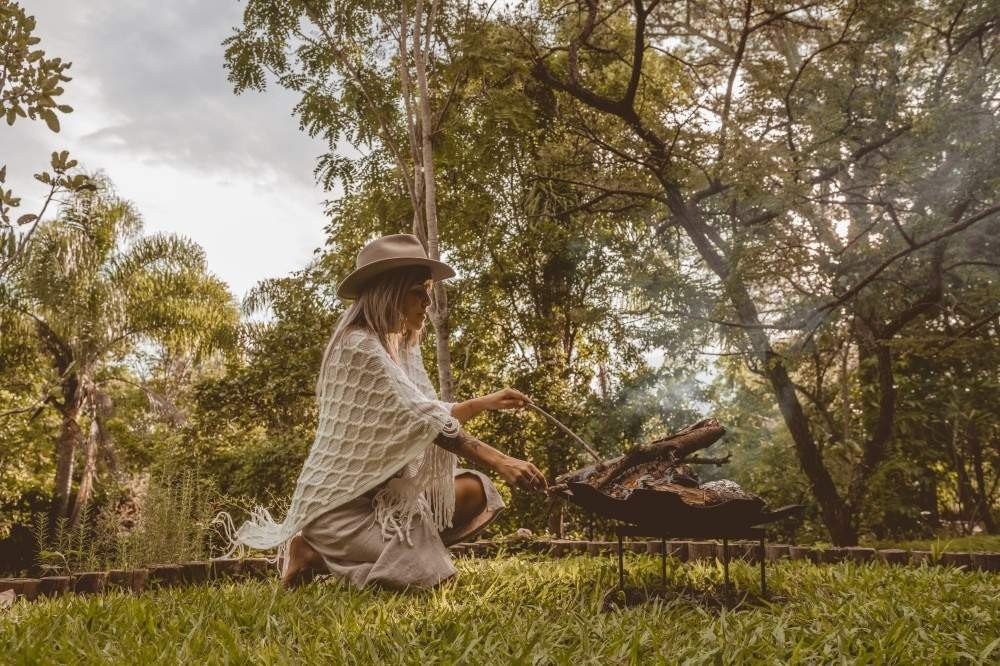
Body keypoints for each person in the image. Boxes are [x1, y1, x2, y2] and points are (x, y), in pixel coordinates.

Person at [216, 233, 547, 590]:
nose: (427, 303)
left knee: (473, 491)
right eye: (419, 292)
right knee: (427, 576)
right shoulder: (358, 345)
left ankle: (332, 555)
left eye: (428, 293)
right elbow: (423, 419)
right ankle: (317, 551)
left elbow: (427, 411)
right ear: (391, 291)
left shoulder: (393, 350)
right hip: (338, 509)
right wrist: (500, 460)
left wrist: (485, 402)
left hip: (378, 500)